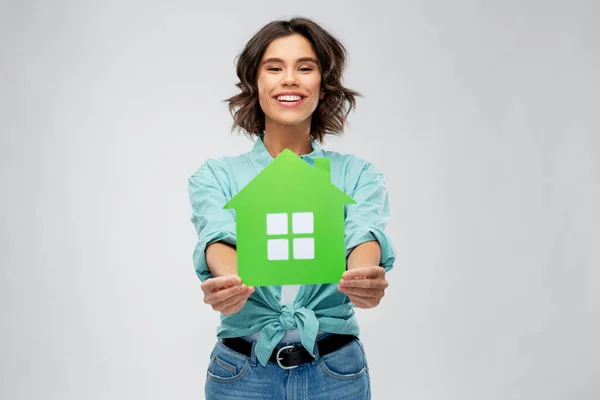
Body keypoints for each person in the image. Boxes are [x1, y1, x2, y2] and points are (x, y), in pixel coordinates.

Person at [187, 17, 396, 400]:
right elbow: (218, 236)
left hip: (336, 373)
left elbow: (363, 234)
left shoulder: (357, 174)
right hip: (241, 375)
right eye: (274, 67)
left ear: (323, 82)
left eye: (305, 67)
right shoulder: (215, 176)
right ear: (255, 82)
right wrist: (231, 282)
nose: (289, 79)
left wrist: (363, 275)